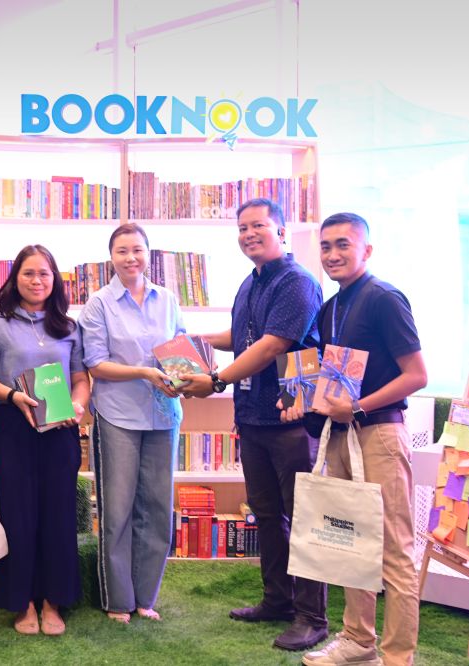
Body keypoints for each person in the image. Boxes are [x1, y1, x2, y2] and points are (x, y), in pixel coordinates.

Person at [182, 198, 328, 651]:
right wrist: (192, 341)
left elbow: (271, 346)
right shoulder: (251, 282)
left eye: (258, 225)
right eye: (242, 227)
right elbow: (242, 337)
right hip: (253, 416)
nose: (248, 234)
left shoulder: (297, 282)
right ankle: (277, 601)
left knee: (303, 517)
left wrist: (215, 380)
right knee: (266, 515)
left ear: (281, 231)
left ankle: (312, 617)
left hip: (291, 415)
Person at [286, 213, 427, 666]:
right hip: (341, 435)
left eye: (343, 244)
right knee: (348, 542)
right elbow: (331, 377)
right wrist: (299, 398)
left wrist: (358, 407)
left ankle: (397, 657)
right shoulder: (332, 307)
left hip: (379, 433)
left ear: (367, 249)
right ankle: (357, 641)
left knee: (393, 550)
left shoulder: (385, 298)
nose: (332, 254)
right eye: (325, 246)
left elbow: (416, 375)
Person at [0, 244, 89, 636]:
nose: (37, 280)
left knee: (58, 514)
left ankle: (54, 601)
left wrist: (77, 405)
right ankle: (21, 602)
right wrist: (11, 395)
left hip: (59, 427)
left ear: (55, 280)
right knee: (17, 515)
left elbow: (80, 378)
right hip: (12, 427)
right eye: (28, 273)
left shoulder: (69, 326)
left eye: (44, 273)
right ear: (15, 278)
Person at [78, 223, 183, 624]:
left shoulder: (167, 299)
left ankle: (145, 598)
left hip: (163, 414)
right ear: (111, 257)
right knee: (118, 509)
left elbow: (180, 349)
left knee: (156, 508)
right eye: (122, 251)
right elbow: (95, 364)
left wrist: (185, 376)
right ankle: (118, 599)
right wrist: (144, 372)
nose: (130, 258)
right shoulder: (99, 304)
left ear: (148, 253)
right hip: (118, 415)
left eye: (137, 249)